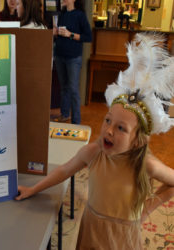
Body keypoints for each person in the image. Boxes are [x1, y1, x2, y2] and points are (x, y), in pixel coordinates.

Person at [16, 33, 174, 249]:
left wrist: (147, 209)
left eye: (121, 128)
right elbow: (64, 171)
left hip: (122, 236)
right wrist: (34, 190)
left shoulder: (146, 164)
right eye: (107, 120)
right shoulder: (93, 152)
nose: (108, 130)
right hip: (91, 227)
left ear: (137, 141)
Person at [53, 0, 91, 124]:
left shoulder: (79, 15)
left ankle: (76, 121)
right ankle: (65, 114)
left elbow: (88, 37)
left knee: (73, 89)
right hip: (59, 56)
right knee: (64, 88)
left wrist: (70, 34)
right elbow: (58, 35)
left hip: (73, 58)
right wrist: (55, 33)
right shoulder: (61, 15)